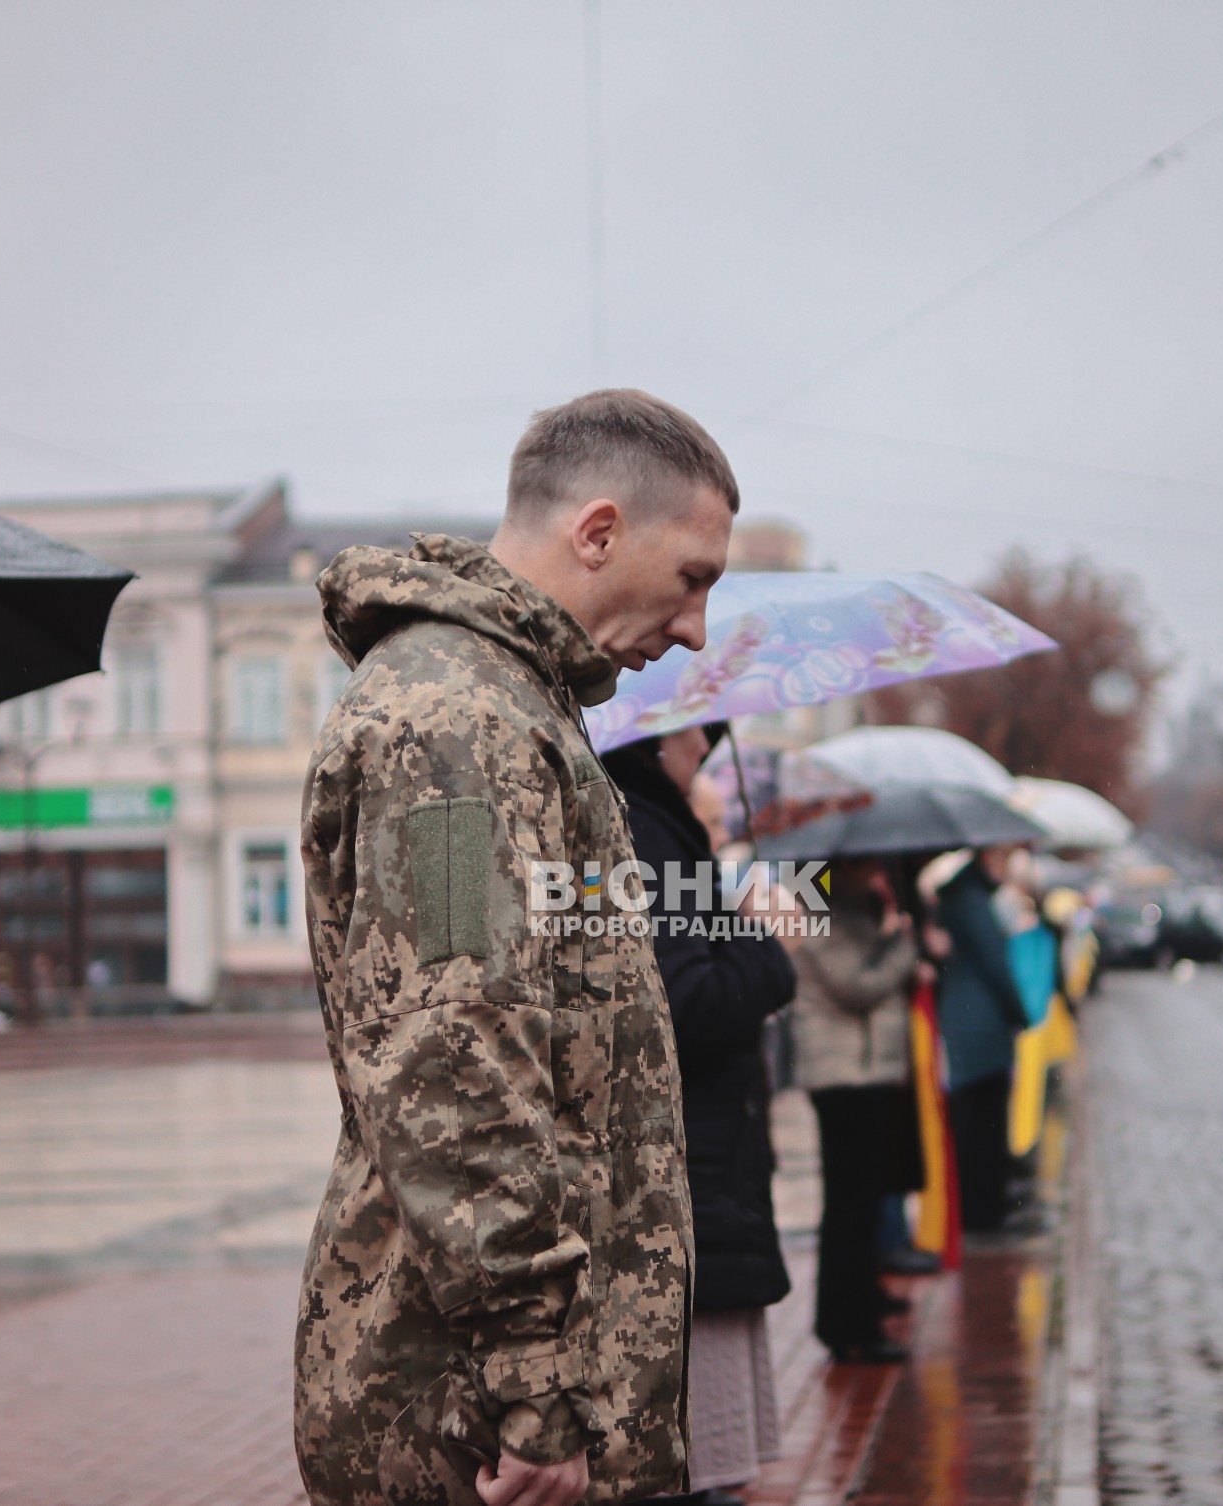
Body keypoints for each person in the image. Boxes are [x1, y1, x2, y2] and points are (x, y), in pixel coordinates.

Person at [294, 390, 736, 1506]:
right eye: (693, 579)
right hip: (477, 1424)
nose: (694, 630)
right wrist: (537, 1393)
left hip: (519, 1407)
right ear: (596, 533)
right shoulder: (452, 729)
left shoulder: (519, 711)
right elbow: (452, 1058)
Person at [602, 727, 798, 1501]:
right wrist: (765, 944)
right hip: (687, 1183)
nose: (709, 742)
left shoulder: (648, 820)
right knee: (691, 1470)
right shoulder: (647, 830)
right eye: (700, 730)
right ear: (663, 735)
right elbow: (685, 1007)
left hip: (700, 1177)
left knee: (697, 1465)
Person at [791, 858, 923, 1364]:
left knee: (861, 1201)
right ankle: (847, 1327)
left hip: (865, 1071)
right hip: (844, 1074)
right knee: (850, 1205)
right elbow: (858, 985)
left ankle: (860, 1307)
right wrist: (902, 945)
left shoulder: (847, 905)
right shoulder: (818, 905)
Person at [933, 845, 1030, 1233]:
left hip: (976, 1023)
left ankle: (986, 1208)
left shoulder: (968, 896)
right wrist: (1018, 1012)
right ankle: (984, 1214)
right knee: (983, 1124)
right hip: (978, 1026)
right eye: (1004, 859)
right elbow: (994, 962)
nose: (1007, 867)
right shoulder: (970, 899)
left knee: (982, 1123)